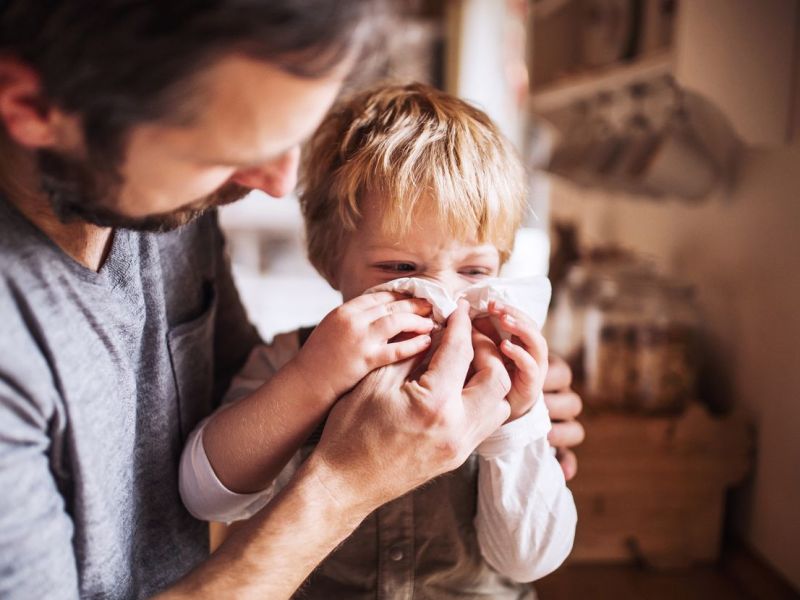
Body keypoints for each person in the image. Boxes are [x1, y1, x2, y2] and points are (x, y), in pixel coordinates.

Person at [0, 2, 584, 598]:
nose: (278, 184)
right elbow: (209, 487)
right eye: (222, 151)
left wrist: (524, 422)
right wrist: (343, 473)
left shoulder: (168, 204)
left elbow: (530, 556)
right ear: (33, 109)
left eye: (290, 140)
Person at [179, 83, 577, 599]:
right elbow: (206, 498)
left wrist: (518, 426)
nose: (444, 297)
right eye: (401, 269)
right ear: (330, 262)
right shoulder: (294, 360)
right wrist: (311, 380)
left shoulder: (505, 380)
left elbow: (528, 562)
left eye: (474, 270)